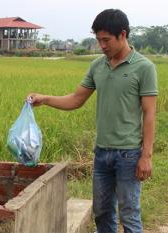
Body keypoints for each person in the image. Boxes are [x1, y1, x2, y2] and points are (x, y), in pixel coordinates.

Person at [28, 9, 157, 233]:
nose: (102, 46)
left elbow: (149, 114)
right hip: (102, 153)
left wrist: (146, 155)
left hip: (129, 154)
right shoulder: (98, 66)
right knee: (102, 213)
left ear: (123, 35)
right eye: (98, 40)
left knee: (129, 214)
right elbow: (77, 99)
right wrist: (45, 99)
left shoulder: (144, 68)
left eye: (106, 40)